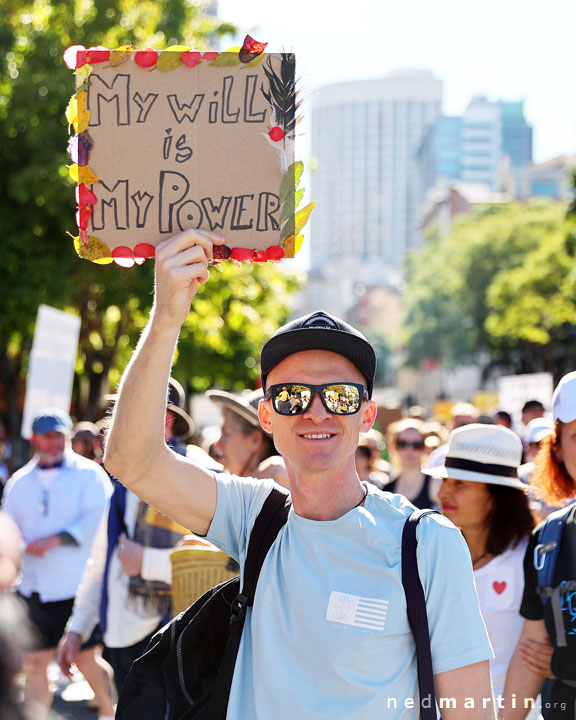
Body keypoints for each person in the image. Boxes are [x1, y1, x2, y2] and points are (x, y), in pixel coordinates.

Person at [103, 229, 496, 719]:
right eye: (292, 397)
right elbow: (131, 460)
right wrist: (166, 318)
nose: (316, 412)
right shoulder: (256, 519)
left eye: (341, 396)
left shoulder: (427, 545)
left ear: (367, 415)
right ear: (267, 417)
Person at [58, 386, 199, 694]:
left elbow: (219, 563)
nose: (119, 423)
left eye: (131, 412)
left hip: (171, 635)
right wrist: (77, 629)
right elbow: (104, 559)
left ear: (165, 420)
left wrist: (147, 562)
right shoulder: (123, 479)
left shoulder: (200, 476)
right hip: (121, 638)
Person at [1, 408, 114, 720]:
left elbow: (101, 521)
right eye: (47, 436)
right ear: (34, 439)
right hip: (35, 589)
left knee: (87, 661)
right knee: (35, 664)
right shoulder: (19, 482)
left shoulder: (90, 475)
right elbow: (9, 530)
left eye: (59, 436)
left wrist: (57, 539)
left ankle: (109, 711)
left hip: (78, 588)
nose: (54, 443)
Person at [427, 424, 540, 716]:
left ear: (497, 496)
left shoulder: (533, 557)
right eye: (445, 481)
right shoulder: (430, 552)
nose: (443, 493)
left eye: (460, 484)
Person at [501, 371, 576, 720]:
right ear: (557, 449)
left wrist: (565, 661)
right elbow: (531, 651)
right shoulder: (548, 540)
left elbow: (551, 657)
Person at [206, 387, 288, 486]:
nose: (217, 445)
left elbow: (277, 471)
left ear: (255, 440)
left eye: (226, 433)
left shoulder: (277, 473)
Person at [385, 418, 437, 508]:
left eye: (416, 445)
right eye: (403, 444)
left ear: (425, 447)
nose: (409, 449)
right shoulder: (387, 488)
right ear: (394, 446)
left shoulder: (435, 484)